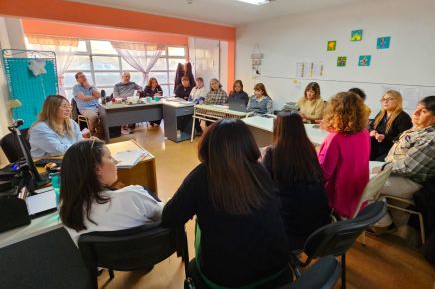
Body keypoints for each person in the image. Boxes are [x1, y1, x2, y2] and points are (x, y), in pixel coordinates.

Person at [162, 119, 290, 288]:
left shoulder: (202, 176)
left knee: (193, 266)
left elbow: (170, 217)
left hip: (225, 280)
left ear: (208, 146)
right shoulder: (260, 170)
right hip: (278, 271)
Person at [60, 140, 164, 244]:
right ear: (97, 169)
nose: (116, 161)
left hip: (108, 259)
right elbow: (165, 215)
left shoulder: (66, 209)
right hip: (152, 250)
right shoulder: (132, 196)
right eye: (109, 157)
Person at [375, 96, 435, 229]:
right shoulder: (427, 127)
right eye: (417, 109)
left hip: (410, 179)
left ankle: (384, 225)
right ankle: (396, 224)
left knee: (361, 185)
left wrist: (381, 167)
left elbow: (408, 168)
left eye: (423, 111)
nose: (415, 113)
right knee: (371, 186)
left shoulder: (434, 139)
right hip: (399, 172)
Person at [262, 111, 331, 250]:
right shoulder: (309, 148)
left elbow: (264, 184)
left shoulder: (273, 152)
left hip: (292, 226)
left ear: (278, 128)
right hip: (320, 224)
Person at [317, 92, 370, 218]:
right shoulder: (364, 133)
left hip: (338, 198)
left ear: (334, 112)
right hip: (357, 194)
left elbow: (322, 175)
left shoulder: (335, 139)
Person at [369, 90, 412, 161]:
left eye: (389, 99)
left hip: (391, 151)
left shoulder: (403, 117)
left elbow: (405, 139)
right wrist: (372, 131)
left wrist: (385, 137)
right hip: (375, 148)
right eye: (384, 99)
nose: (385, 101)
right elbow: (371, 126)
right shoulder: (382, 113)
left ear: (397, 101)